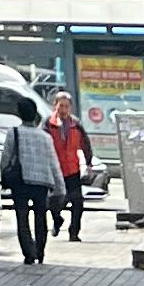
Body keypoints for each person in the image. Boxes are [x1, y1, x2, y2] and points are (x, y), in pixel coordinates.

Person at [2, 107, 64, 262]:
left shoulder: (13, 133)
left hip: (20, 181)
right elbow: (53, 163)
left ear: (19, 114)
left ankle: (29, 253)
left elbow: (6, 158)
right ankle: (40, 251)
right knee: (40, 216)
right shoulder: (45, 137)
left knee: (22, 217)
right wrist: (60, 187)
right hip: (42, 182)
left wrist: (3, 175)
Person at [47, 93, 93, 244]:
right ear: (55, 106)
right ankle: (57, 220)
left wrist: (88, 162)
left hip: (72, 169)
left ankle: (74, 233)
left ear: (70, 108)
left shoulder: (76, 124)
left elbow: (85, 143)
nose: (63, 110)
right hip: (55, 170)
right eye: (61, 106)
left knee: (77, 202)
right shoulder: (48, 124)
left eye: (66, 106)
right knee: (54, 202)